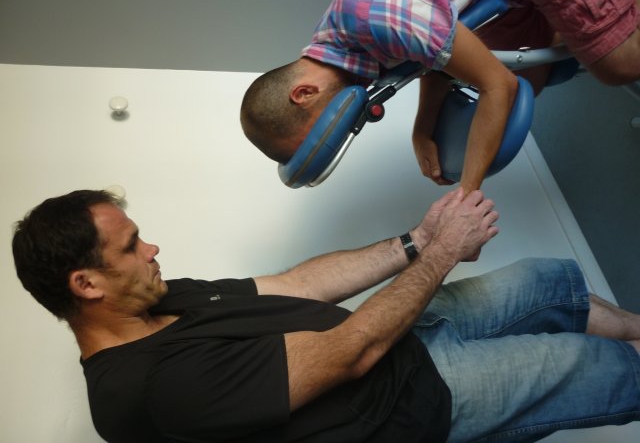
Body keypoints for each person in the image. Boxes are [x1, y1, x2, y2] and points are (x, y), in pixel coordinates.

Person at [11, 188, 640, 442]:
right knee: (598, 366)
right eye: (131, 247)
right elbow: (352, 354)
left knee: (546, 283)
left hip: (401, 334)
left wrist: (418, 241)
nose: (152, 249)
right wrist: (444, 254)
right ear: (86, 284)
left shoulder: (162, 297)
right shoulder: (144, 392)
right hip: (417, 399)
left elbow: (295, 285)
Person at [240, 0, 640, 194]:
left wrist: (467, 196)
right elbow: (430, 57)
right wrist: (422, 128)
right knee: (534, 79)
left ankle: (614, 15)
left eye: (327, 128)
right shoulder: (335, 47)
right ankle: (603, 9)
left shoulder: (376, 17)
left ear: (304, 93)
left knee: (618, 65)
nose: (343, 126)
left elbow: (497, 85)